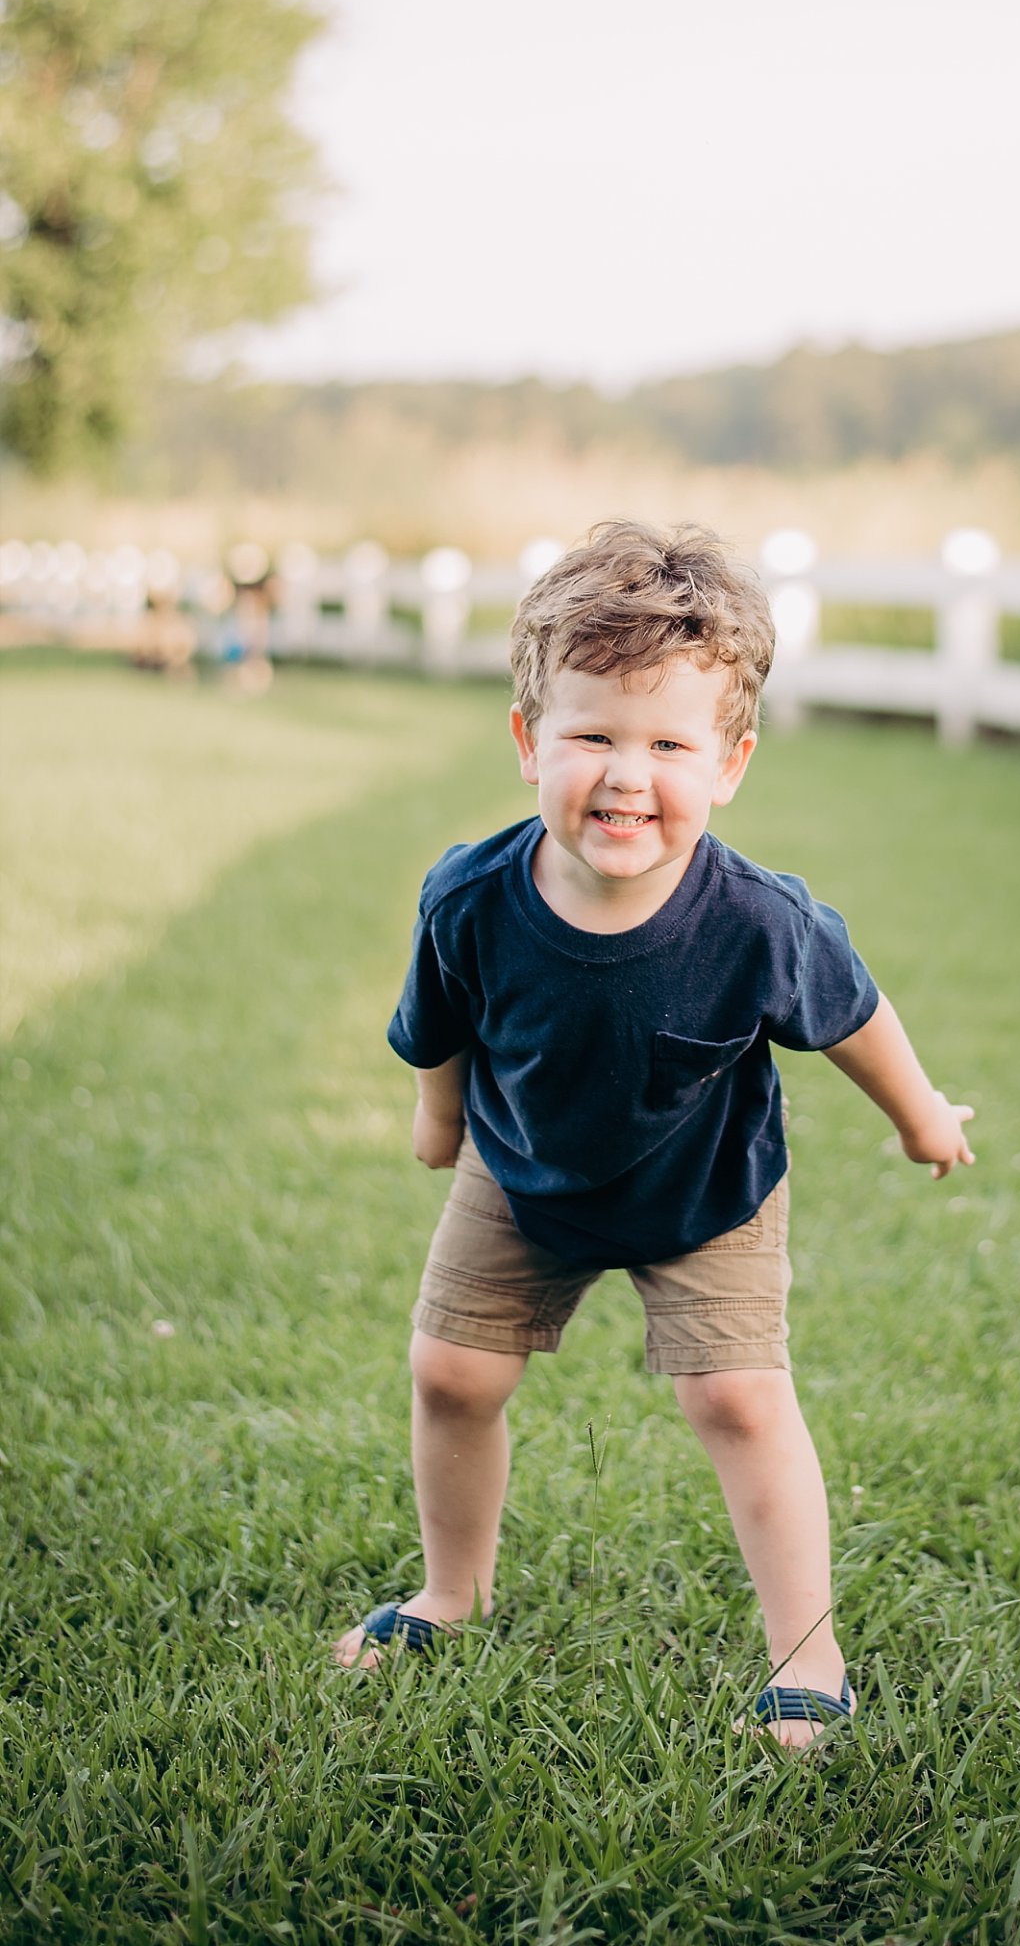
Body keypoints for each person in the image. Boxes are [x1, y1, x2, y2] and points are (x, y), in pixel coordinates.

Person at [333, 520, 975, 1745]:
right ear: (529, 742)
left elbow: (854, 1017)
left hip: (706, 1185)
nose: (628, 775)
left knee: (735, 1396)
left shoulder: (756, 920)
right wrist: (437, 1123)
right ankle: (447, 1593)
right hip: (520, 1167)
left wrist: (920, 1116)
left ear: (729, 763)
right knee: (450, 1370)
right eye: (592, 735)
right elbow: (442, 1025)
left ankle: (808, 1654)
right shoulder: (469, 893)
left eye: (668, 743)